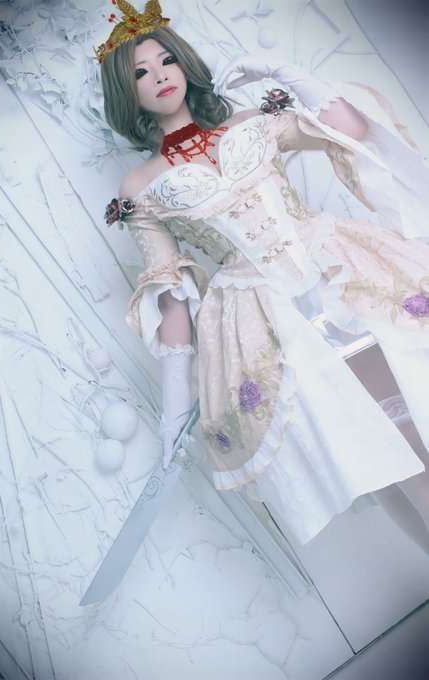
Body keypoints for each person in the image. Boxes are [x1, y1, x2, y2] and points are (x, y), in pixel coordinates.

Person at [99, 0, 429, 546]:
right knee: (368, 466)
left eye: (167, 61)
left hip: (334, 280)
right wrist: (173, 414)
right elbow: (171, 295)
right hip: (264, 325)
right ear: (125, 91)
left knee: (408, 438)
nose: (159, 76)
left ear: (184, 64)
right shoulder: (139, 187)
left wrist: (283, 72)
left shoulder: (253, 123)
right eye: (140, 72)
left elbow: (350, 129)